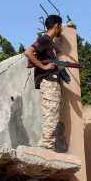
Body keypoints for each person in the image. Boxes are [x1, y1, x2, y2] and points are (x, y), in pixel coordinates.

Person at [24, 15, 64, 151]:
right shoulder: (44, 39)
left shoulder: (50, 42)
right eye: (61, 26)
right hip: (48, 81)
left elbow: (61, 52)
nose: (62, 29)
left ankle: (48, 146)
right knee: (51, 115)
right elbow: (28, 52)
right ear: (56, 25)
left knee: (52, 115)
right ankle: (47, 147)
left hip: (52, 81)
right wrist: (44, 67)